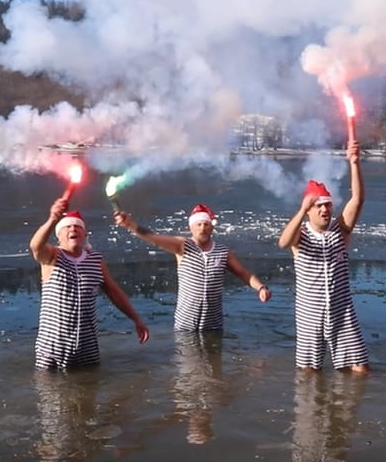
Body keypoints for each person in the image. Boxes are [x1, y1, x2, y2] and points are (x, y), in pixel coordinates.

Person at [277, 140, 368, 373]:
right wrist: (301, 210)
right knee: (308, 373)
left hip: (342, 309)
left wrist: (355, 164)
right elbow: (283, 242)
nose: (325, 210)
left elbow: (357, 200)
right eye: (318, 206)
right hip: (310, 311)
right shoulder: (301, 235)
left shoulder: (340, 229)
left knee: (359, 369)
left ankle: (348, 407)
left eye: (327, 205)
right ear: (308, 210)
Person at [29, 199, 149, 369]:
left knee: (89, 389)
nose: (72, 229)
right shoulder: (52, 256)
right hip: (52, 346)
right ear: (58, 235)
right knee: (51, 391)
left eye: (77, 227)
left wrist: (136, 319)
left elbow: (114, 292)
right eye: (67, 227)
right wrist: (52, 220)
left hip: (87, 346)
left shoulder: (95, 260)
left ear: (85, 234)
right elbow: (35, 246)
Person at [114, 203, 272, 331]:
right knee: (187, 368)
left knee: (214, 368)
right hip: (185, 326)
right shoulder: (183, 246)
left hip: (213, 326)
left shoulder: (223, 252)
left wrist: (261, 288)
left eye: (206, 224)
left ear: (212, 227)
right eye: (199, 224)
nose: (202, 228)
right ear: (191, 227)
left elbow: (243, 273)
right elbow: (153, 238)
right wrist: (131, 225)